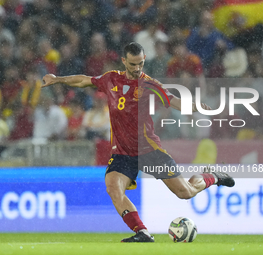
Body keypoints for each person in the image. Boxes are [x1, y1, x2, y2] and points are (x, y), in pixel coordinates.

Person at [42, 42, 235, 243]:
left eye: (140, 64)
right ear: (124, 61)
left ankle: (211, 177)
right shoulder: (111, 79)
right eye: (133, 64)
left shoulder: (148, 84)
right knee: (113, 188)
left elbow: (172, 99)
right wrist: (58, 79)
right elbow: (84, 81)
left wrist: (193, 106)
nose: (137, 69)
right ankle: (142, 232)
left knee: (184, 192)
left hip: (148, 150)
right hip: (122, 152)